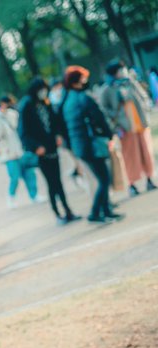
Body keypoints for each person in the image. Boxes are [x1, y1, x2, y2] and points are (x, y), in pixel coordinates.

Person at [62, 65, 125, 224]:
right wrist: (110, 135)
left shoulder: (68, 101)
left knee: (102, 179)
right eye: (82, 78)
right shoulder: (84, 98)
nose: (85, 80)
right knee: (105, 179)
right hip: (92, 145)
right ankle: (95, 213)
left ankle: (106, 211)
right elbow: (99, 118)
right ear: (77, 81)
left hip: (80, 147)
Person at [18, 77, 81, 225]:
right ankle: (57, 213)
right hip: (41, 153)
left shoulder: (46, 103)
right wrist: (35, 147)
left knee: (58, 181)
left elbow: (55, 122)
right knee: (52, 183)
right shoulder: (27, 106)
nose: (44, 92)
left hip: (52, 148)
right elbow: (24, 132)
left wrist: (58, 135)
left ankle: (68, 210)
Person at [100, 60, 156, 197]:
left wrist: (146, 109)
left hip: (140, 124)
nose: (123, 71)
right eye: (120, 70)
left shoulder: (131, 82)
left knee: (146, 153)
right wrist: (116, 122)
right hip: (125, 128)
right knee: (130, 157)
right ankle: (132, 184)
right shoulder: (108, 89)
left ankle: (149, 178)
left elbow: (143, 97)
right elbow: (104, 109)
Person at [0, 95, 41, 208]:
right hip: (8, 153)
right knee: (15, 177)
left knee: (29, 174)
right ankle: (11, 197)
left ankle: (34, 195)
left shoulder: (13, 114)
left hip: (20, 150)